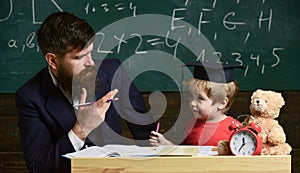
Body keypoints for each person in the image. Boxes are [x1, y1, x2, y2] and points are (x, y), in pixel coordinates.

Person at [16, 12, 155, 173]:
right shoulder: (30, 97)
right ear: (53, 60)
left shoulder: (113, 71)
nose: (90, 63)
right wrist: (81, 129)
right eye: (80, 57)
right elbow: (38, 168)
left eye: (90, 52)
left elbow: (148, 137)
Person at [149, 61, 244, 146]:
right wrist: (165, 144)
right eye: (191, 96)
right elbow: (183, 154)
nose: (192, 103)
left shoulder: (235, 129)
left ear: (222, 103)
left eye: (200, 98)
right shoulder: (192, 124)